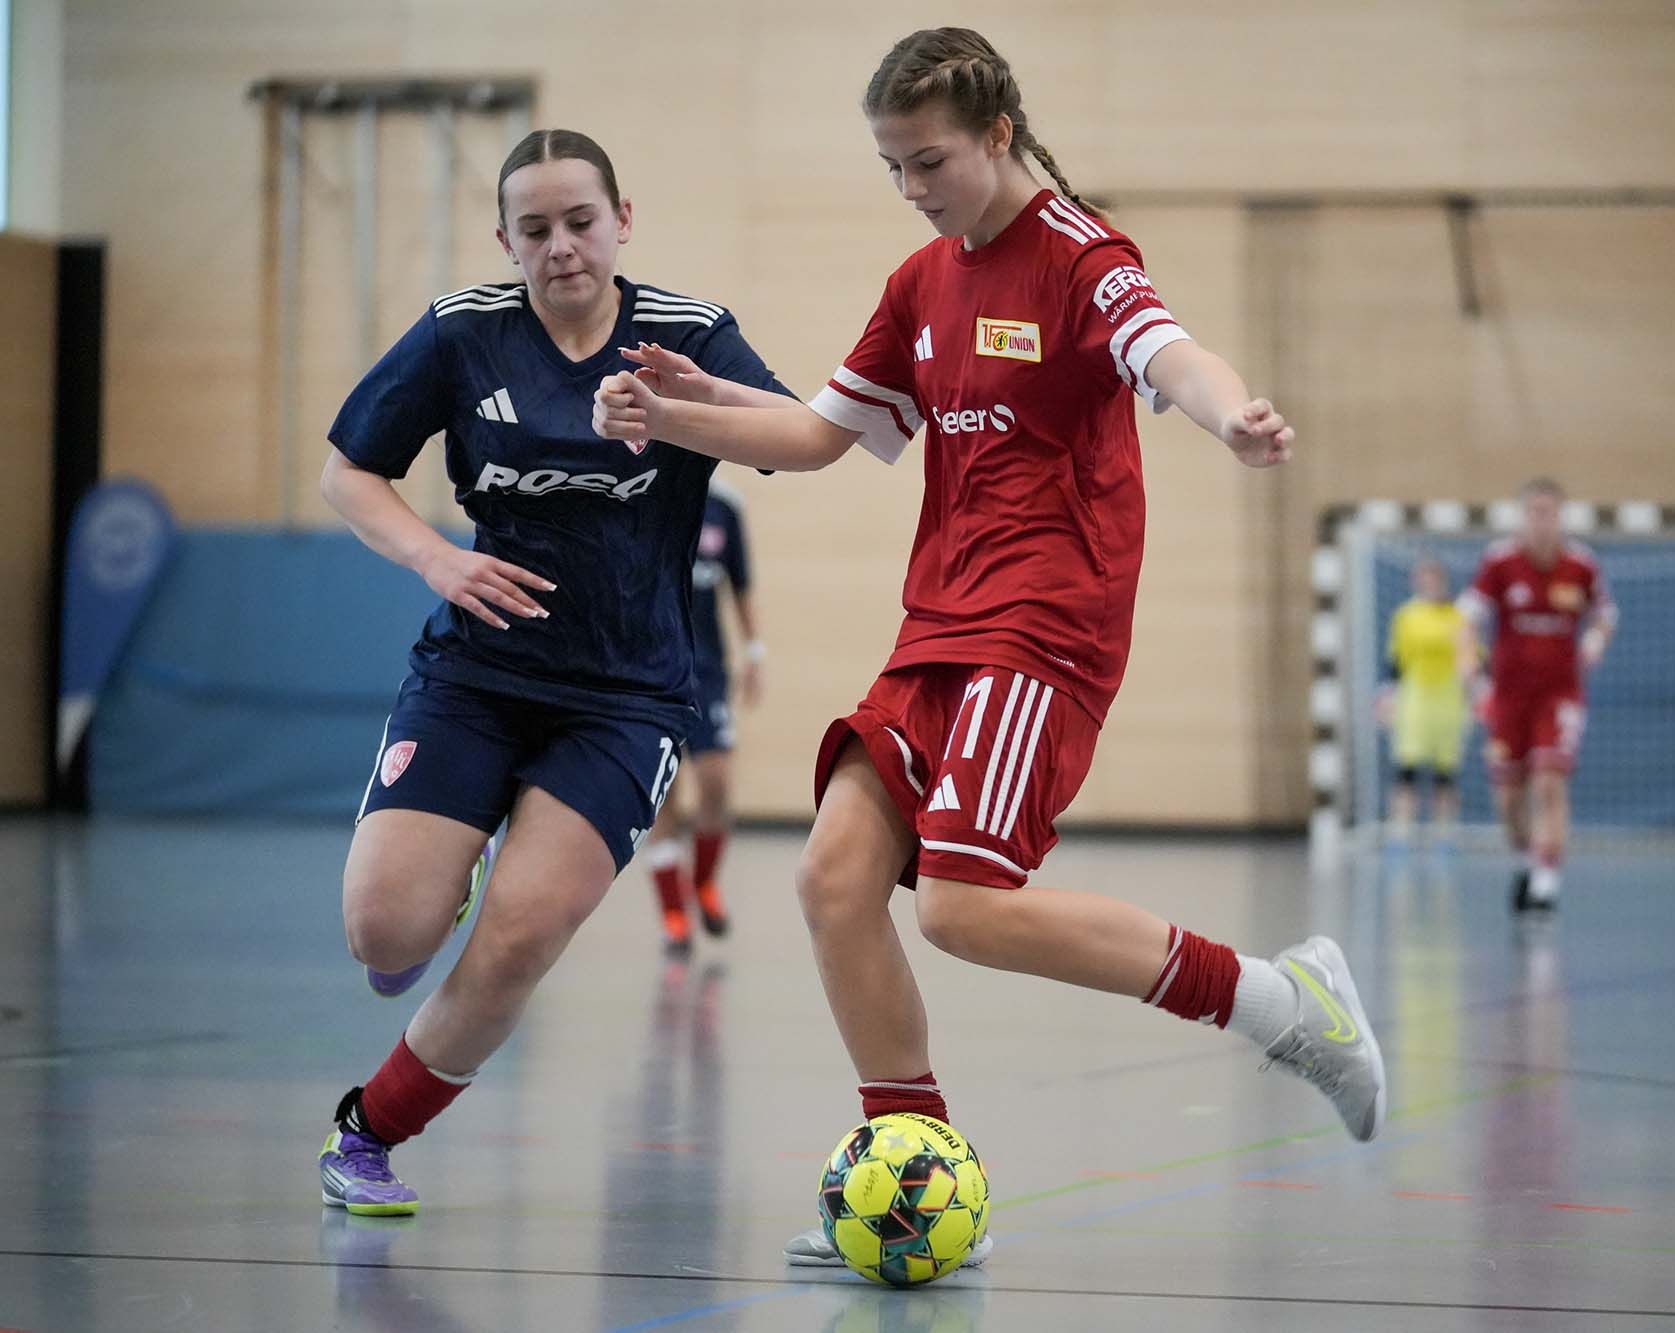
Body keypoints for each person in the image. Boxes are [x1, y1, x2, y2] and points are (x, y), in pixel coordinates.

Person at [593, 26, 1387, 1268]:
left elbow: (1166, 351)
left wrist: (1229, 413)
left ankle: (1283, 1003)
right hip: (939, 624)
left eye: (930, 162)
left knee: (960, 907)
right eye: (893, 169)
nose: (914, 191)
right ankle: (912, 1180)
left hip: (1045, 624)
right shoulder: (922, 282)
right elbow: (812, 434)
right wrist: (676, 407)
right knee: (834, 882)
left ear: (997, 134)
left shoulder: (1080, 252)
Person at [315, 128, 790, 1215]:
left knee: (521, 935)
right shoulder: (461, 334)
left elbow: (789, 434)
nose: (563, 246)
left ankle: (369, 1133)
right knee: (384, 933)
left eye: (581, 221)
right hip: (476, 676)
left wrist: (675, 407)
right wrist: (437, 557)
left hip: (627, 698)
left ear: (623, 220)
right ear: (505, 240)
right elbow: (349, 471)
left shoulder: (685, 330)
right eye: (535, 229)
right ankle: (451, 859)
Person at [1458, 478, 1616, 911]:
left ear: (1561, 516)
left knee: (1549, 780)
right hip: (1508, 697)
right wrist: (1468, 662)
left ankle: (1547, 881)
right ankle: (1529, 859)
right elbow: (1467, 618)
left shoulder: (1580, 565)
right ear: (1522, 516)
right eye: (1534, 512)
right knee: (1509, 799)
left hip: (1559, 694)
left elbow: (1605, 614)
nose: (1541, 521)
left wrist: (1596, 641)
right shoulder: (1501, 562)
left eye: (1549, 512)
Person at [644, 478, 764, 952]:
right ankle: (673, 913)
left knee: (715, 783)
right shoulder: (643, 489)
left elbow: (742, 583)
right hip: (651, 671)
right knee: (664, 800)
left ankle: (705, 885)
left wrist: (755, 651)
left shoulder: (724, 507)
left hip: (708, 671)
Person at [1382, 556, 1472, 845]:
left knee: (1446, 772)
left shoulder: (1459, 617)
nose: (1429, 585)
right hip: (1416, 698)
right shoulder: (1407, 616)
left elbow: (1473, 659)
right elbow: (1395, 661)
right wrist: (1388, 696)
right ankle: (1400, 834)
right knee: (1406, 768)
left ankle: (1445, 835)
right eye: (1424, 579)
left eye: (1433, 579)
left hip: (1449, 699)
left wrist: (1478, 691)